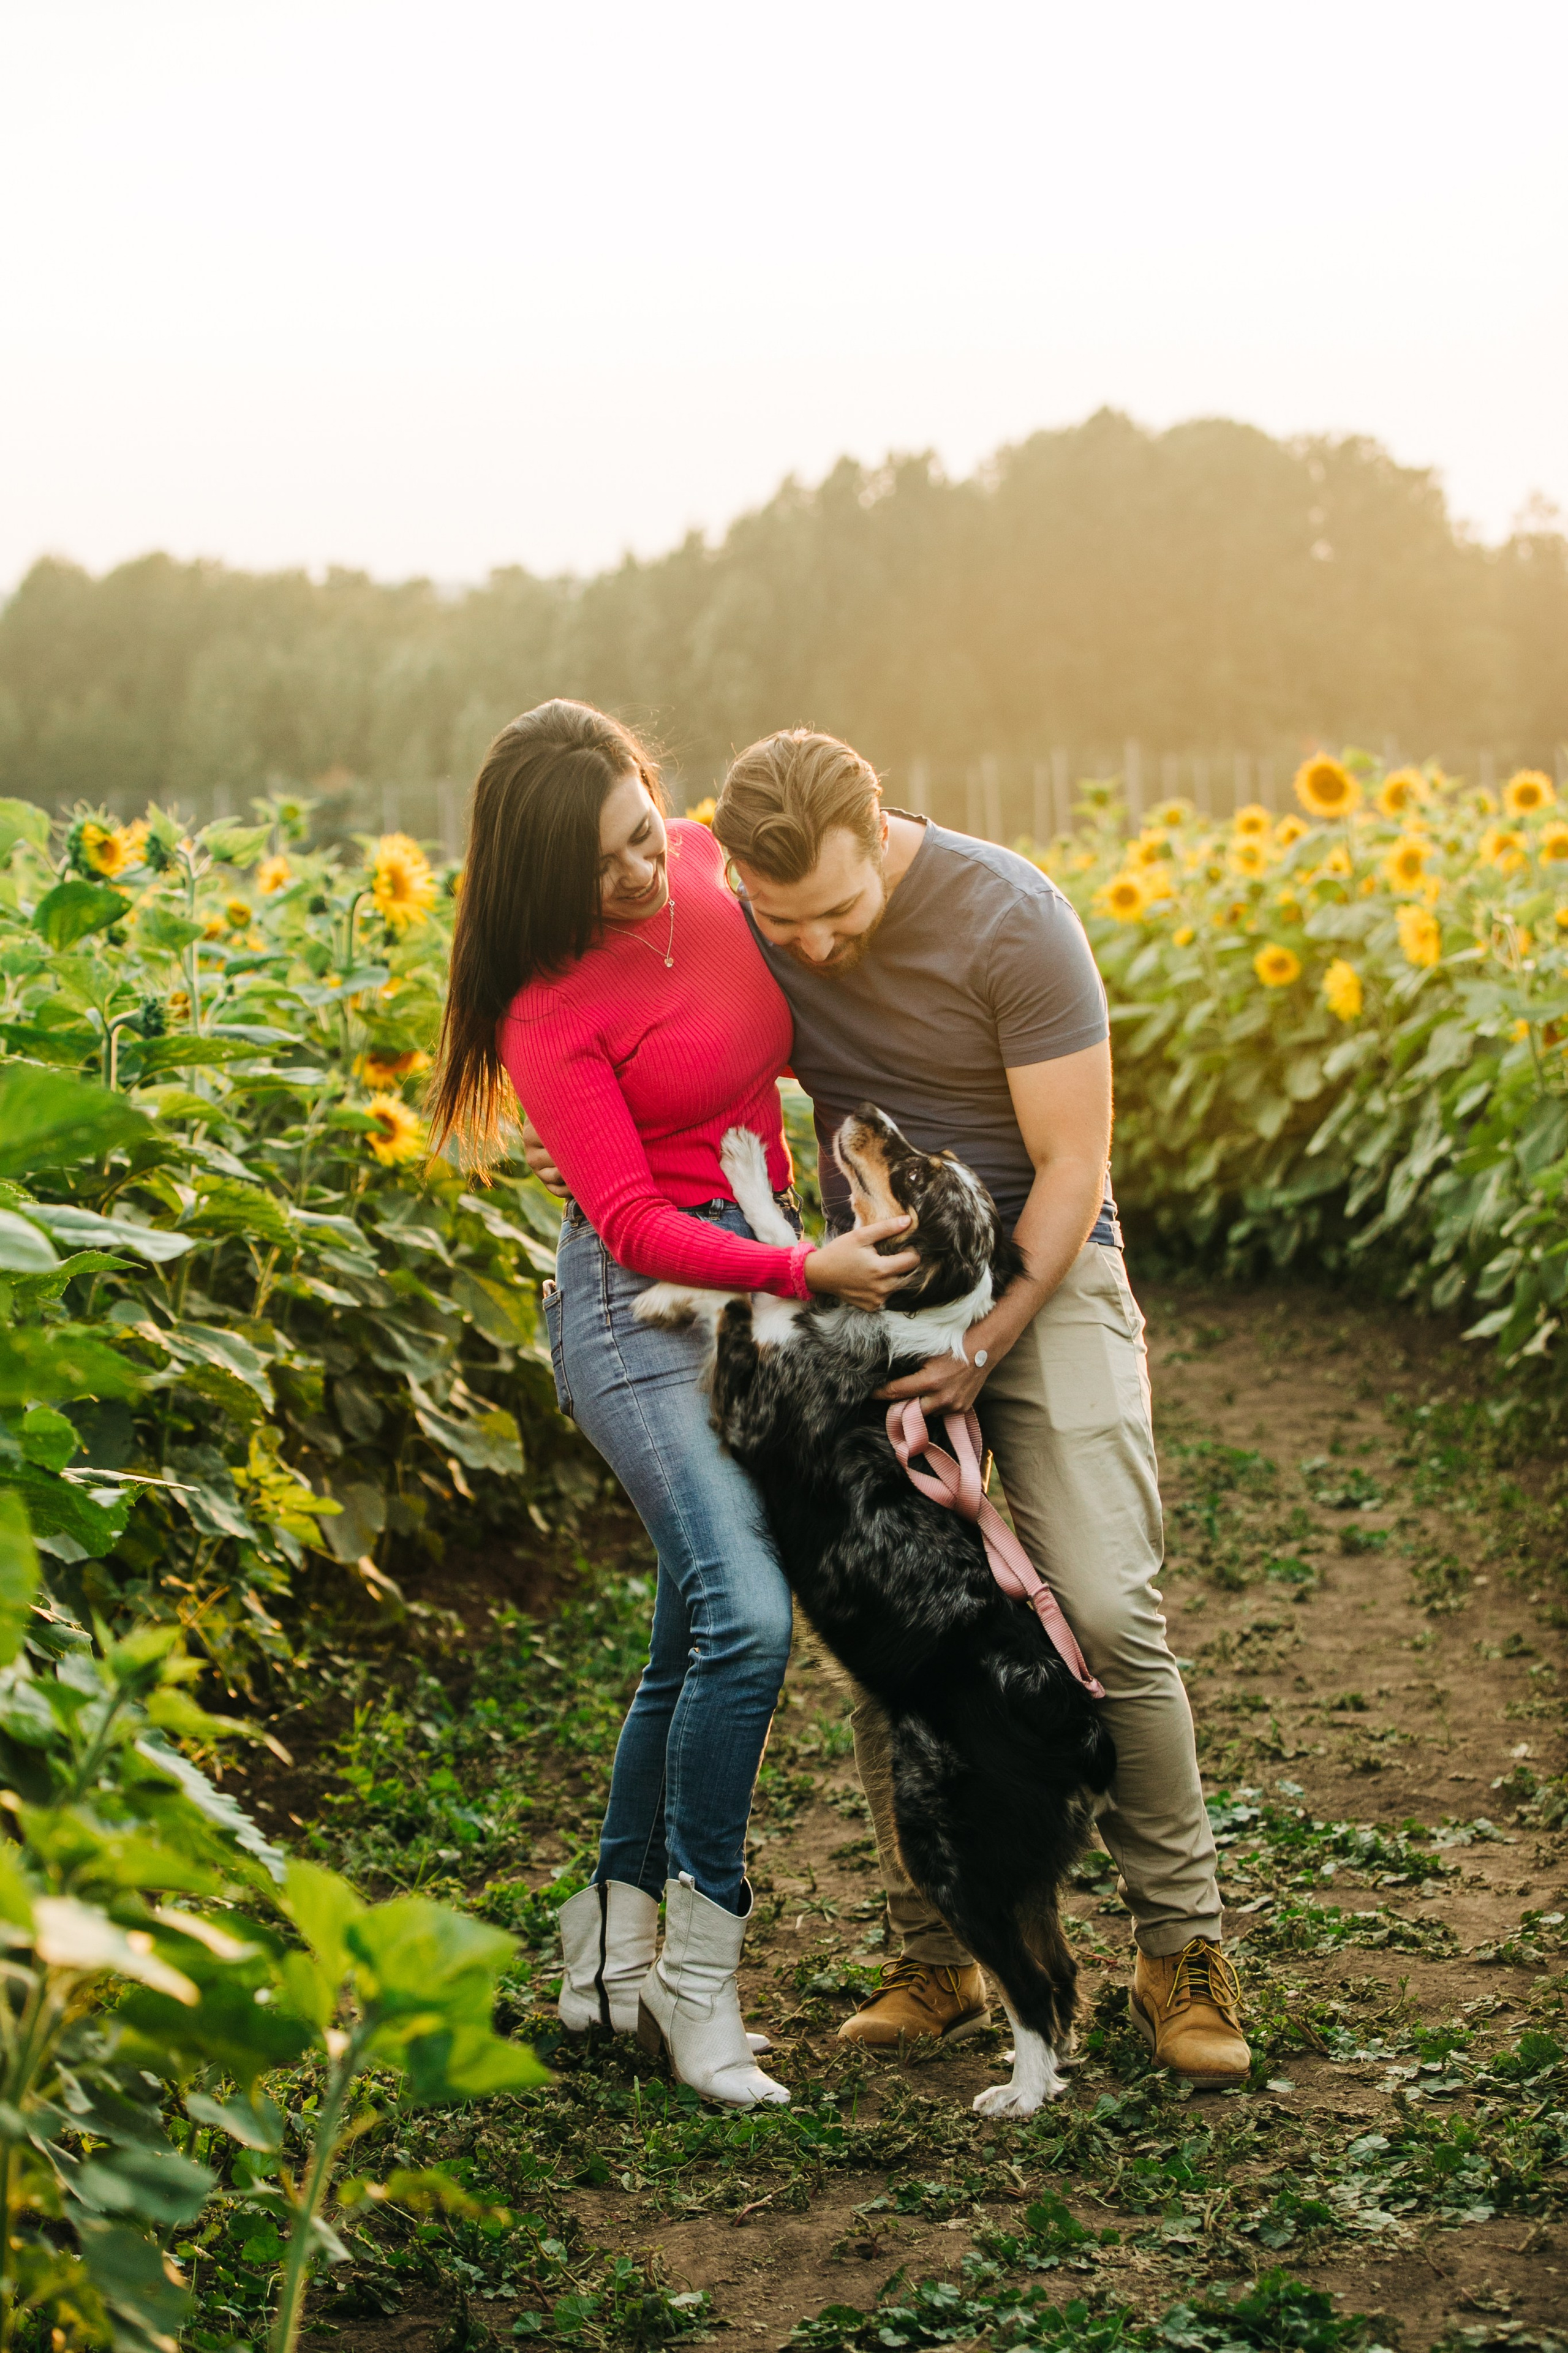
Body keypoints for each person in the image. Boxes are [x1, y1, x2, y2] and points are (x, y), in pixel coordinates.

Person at [705, 733, 1248, 2085]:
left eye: (840, 910)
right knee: (902, 1616)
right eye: (786, 924)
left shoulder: (1014, 917)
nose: (816, 947)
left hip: (1042, 1276)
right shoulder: (748, 920)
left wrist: (989, 1333)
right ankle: (940, 1951)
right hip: (883, 1285)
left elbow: (1072, 1164)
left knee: (1108, 1609)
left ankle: (1175, 1947)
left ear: (881, 824)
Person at [426, 701, 917, 2112]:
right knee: (748, 1619)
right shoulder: (544, 1005)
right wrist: (796, 1264)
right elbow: (632, 1220)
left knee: (682, 1637)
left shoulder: (710, 861)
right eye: (598, 868)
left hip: (761, 1283)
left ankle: (606, 1940)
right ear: (534, 880)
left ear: (659, 798)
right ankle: (696, 1983)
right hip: (641, 1309)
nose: (638, 875)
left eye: (641, 834)